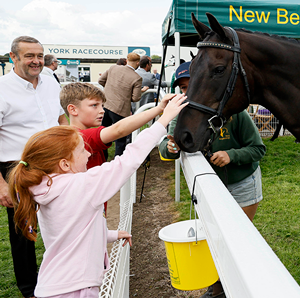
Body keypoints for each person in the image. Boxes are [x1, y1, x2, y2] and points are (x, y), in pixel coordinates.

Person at [7, 94, 187, 298]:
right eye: (83, 151)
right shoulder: (82, 185)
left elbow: (70, 231)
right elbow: (128, 160)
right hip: (77, 290)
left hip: (54, 285)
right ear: (65, 164)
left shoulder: (44, 188)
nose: (89, 155)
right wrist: (163, 121)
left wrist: (110, 234)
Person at [158, 62, 266, 298]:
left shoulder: (234, 112)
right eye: (184, 88)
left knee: (238, 239)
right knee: (215, 239)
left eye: (192, 86)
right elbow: (165, 149)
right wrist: (171, 147)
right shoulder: (180, 112)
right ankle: (217, 287)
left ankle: (232, 287)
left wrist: (231, 155)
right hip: (208, 188)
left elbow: (258, 149)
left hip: (242, 183)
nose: (189, 92)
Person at [0, 35, 68, 298]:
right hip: (17, 168)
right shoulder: (2, 88)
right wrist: (2, 185)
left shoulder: (50, 80)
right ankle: (30, 289)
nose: (36, 61)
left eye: (39, 55)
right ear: (13, 57)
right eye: (29, 56)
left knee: (63, 218)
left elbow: (60, 117)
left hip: (54, 162)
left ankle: (63, 275)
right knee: (24, 231)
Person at [60, 82, 176, 214]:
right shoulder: (79, 137)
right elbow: (118, 130)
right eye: (94, 105)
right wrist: (162, 111)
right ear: (73, 109)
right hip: (86, 211)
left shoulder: (70, 135)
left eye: (102, 105)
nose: (102, 110)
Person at [98, 52, 148, 157]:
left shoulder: (113, 68)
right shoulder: (136, 78)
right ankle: (118, 163)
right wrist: (140, 91)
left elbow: (101, 80)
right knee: (120, 139)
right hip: (120, 110)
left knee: (102, 134)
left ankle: (102, 159)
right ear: (138, 63)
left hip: (105, 105)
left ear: (127, 60)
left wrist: (110, 90)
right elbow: (136, 98)